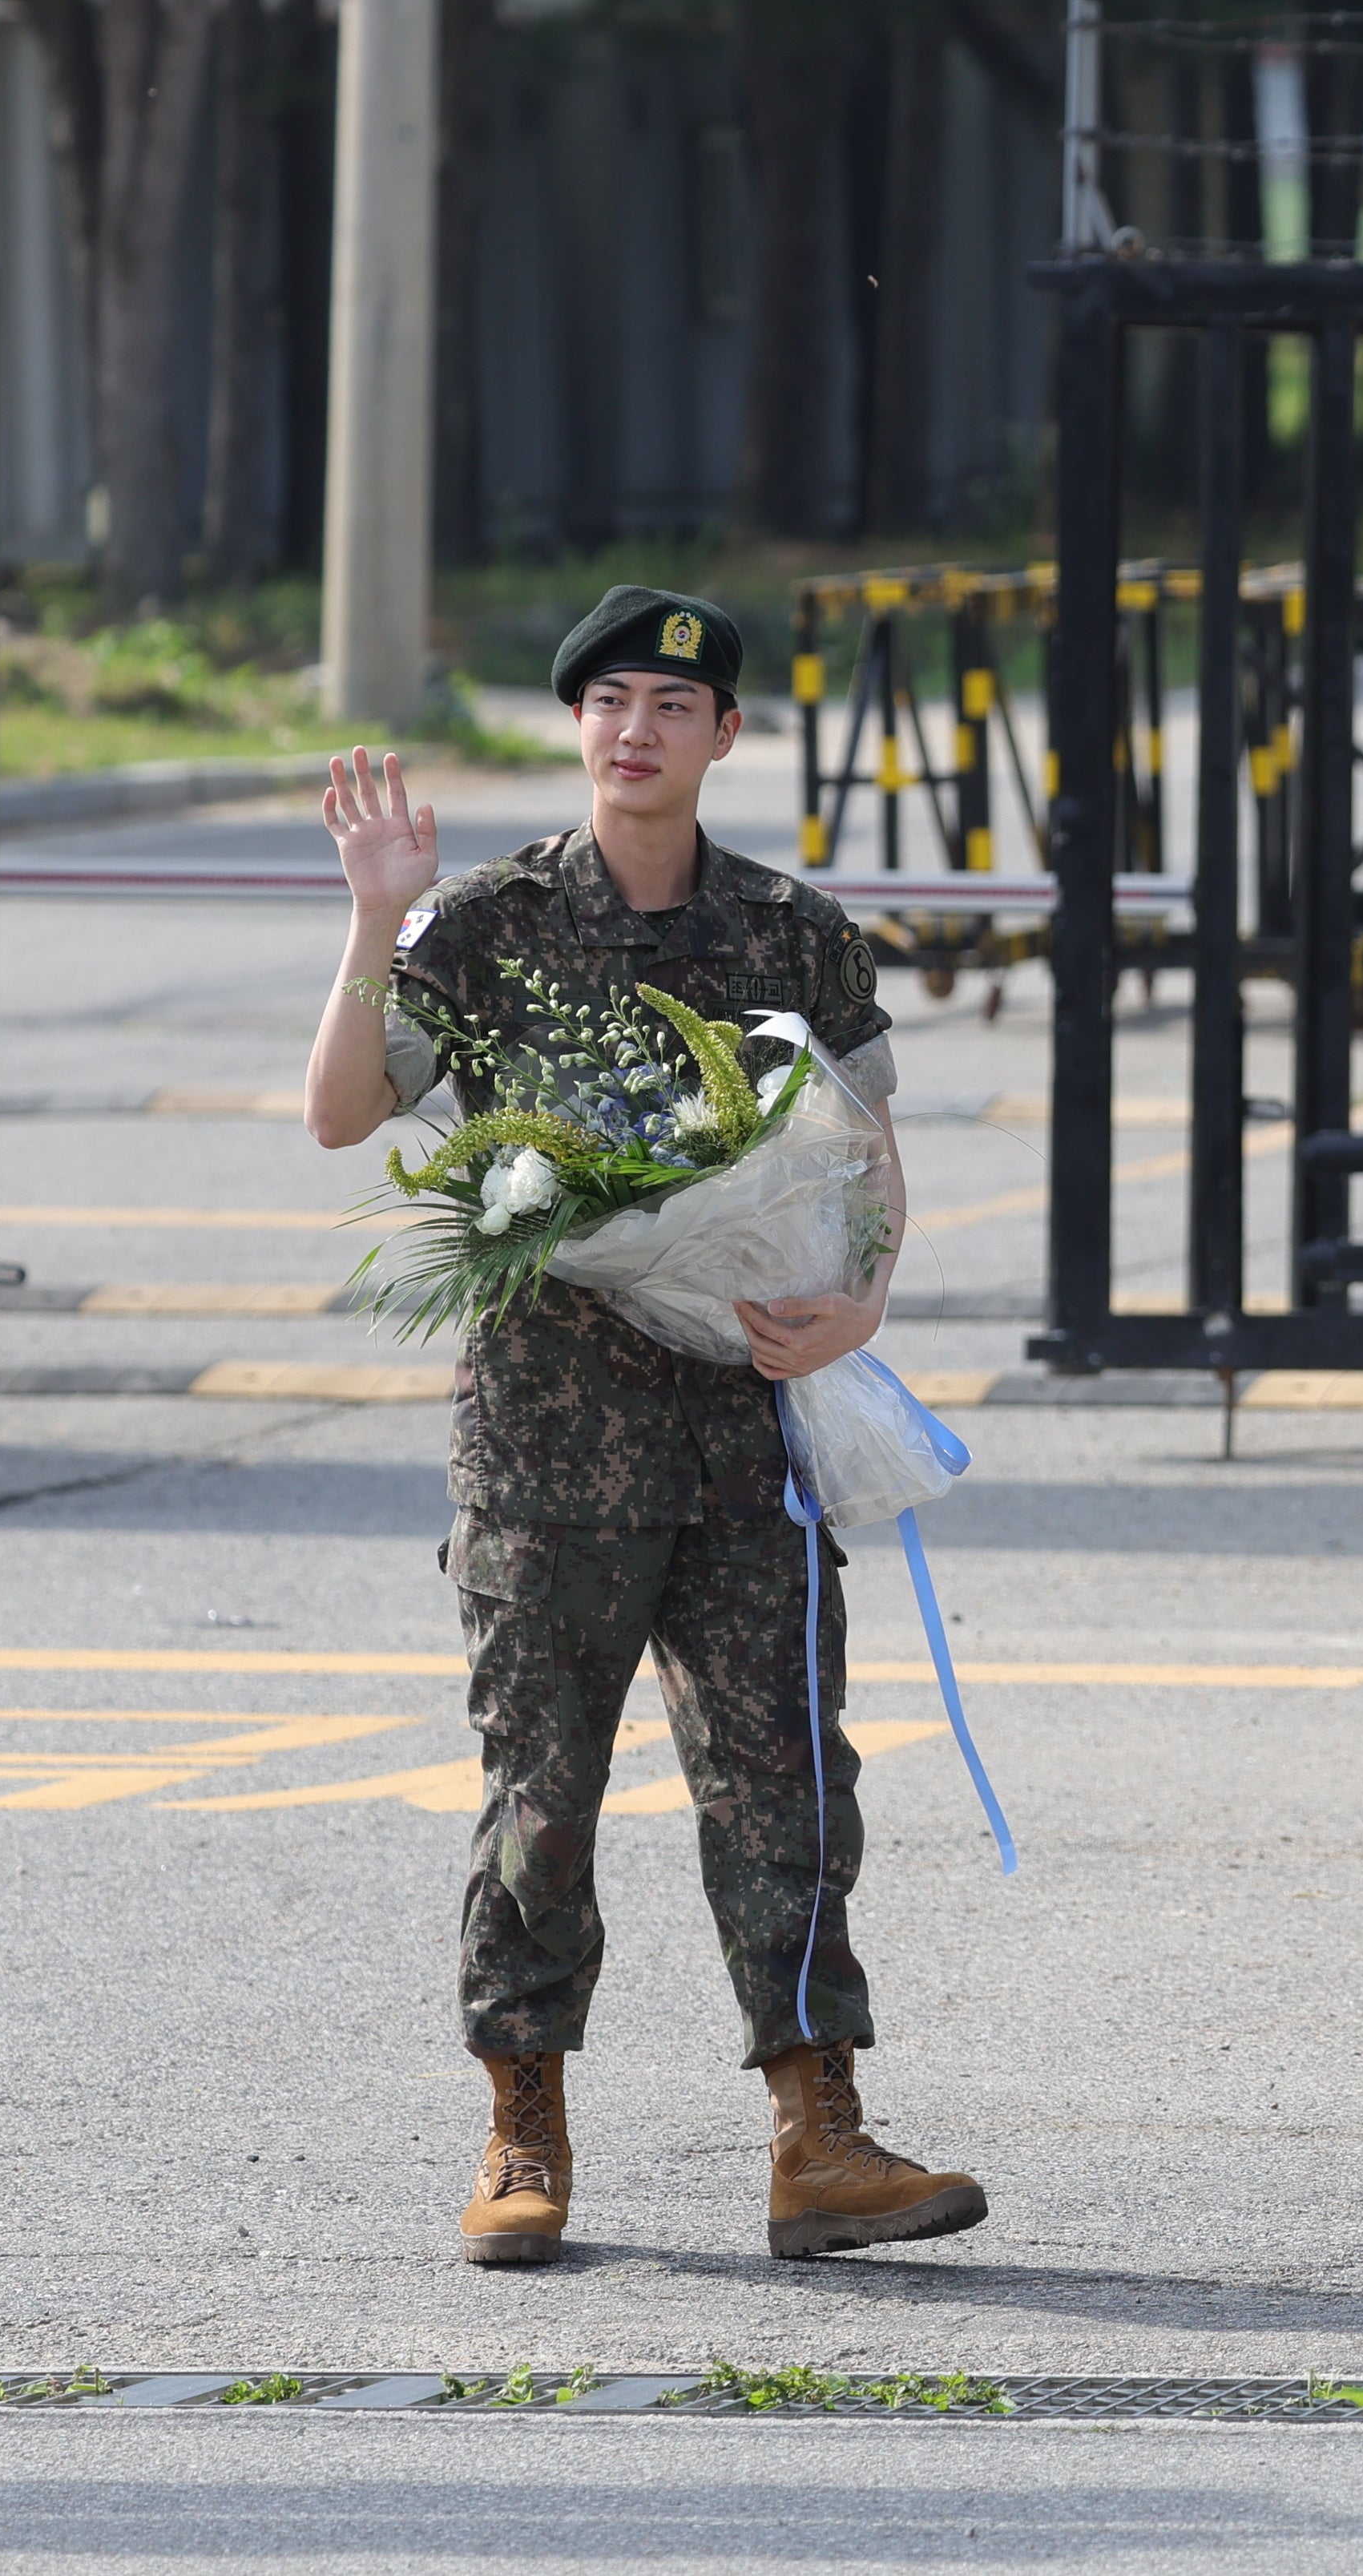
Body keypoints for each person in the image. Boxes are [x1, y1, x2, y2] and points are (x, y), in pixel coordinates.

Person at [300, 585, 985, 2269]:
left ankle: (816, 2133)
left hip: (748, 1431)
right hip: (550, 1447)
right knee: (543, 1793)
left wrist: (864, 1300)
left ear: (724, 736)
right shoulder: (482, 926)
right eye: (610, 700)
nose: (635, 730)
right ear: (577, 725)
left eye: (672, 705)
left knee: (791, 1787)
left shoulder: (792, 930)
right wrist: (374, 920)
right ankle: (521, 2126)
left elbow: (862, 1150)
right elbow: (337, 1115)